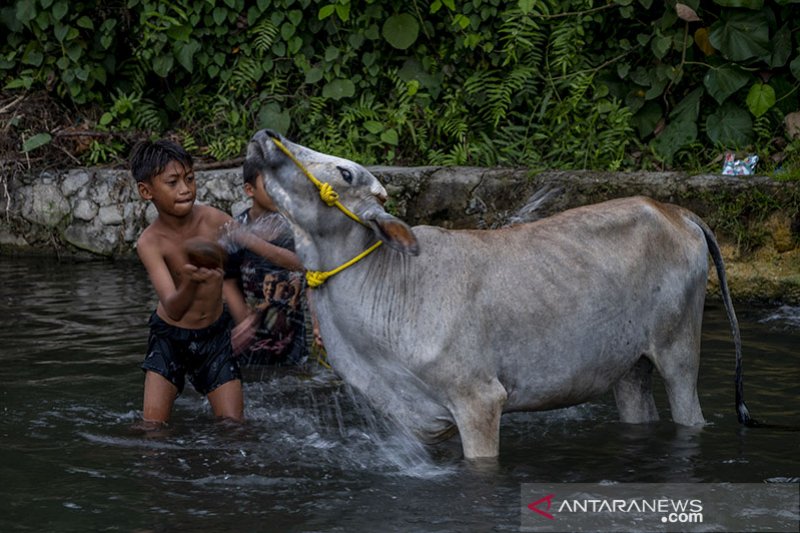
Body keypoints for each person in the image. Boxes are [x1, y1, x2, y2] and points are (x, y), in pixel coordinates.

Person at [130, 139, 289, 425]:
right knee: (152, 431)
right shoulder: (150, 243)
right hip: (170, 339)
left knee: (233, 428)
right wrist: (191, 282)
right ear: (146, 191)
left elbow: (269, 251)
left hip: (215, 338)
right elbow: (173, 308)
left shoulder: (212, 219)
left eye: (189, 178)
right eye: (173, 182)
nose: (185, 188)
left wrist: (320, 266)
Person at [226, 159, 321, 369]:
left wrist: (317, 322)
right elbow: (227, 280)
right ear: (249, 190)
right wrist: (243, 322)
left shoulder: (296, 230)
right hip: (249, 339)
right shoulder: (237, 229)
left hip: (292, 340)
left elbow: (310, 275)